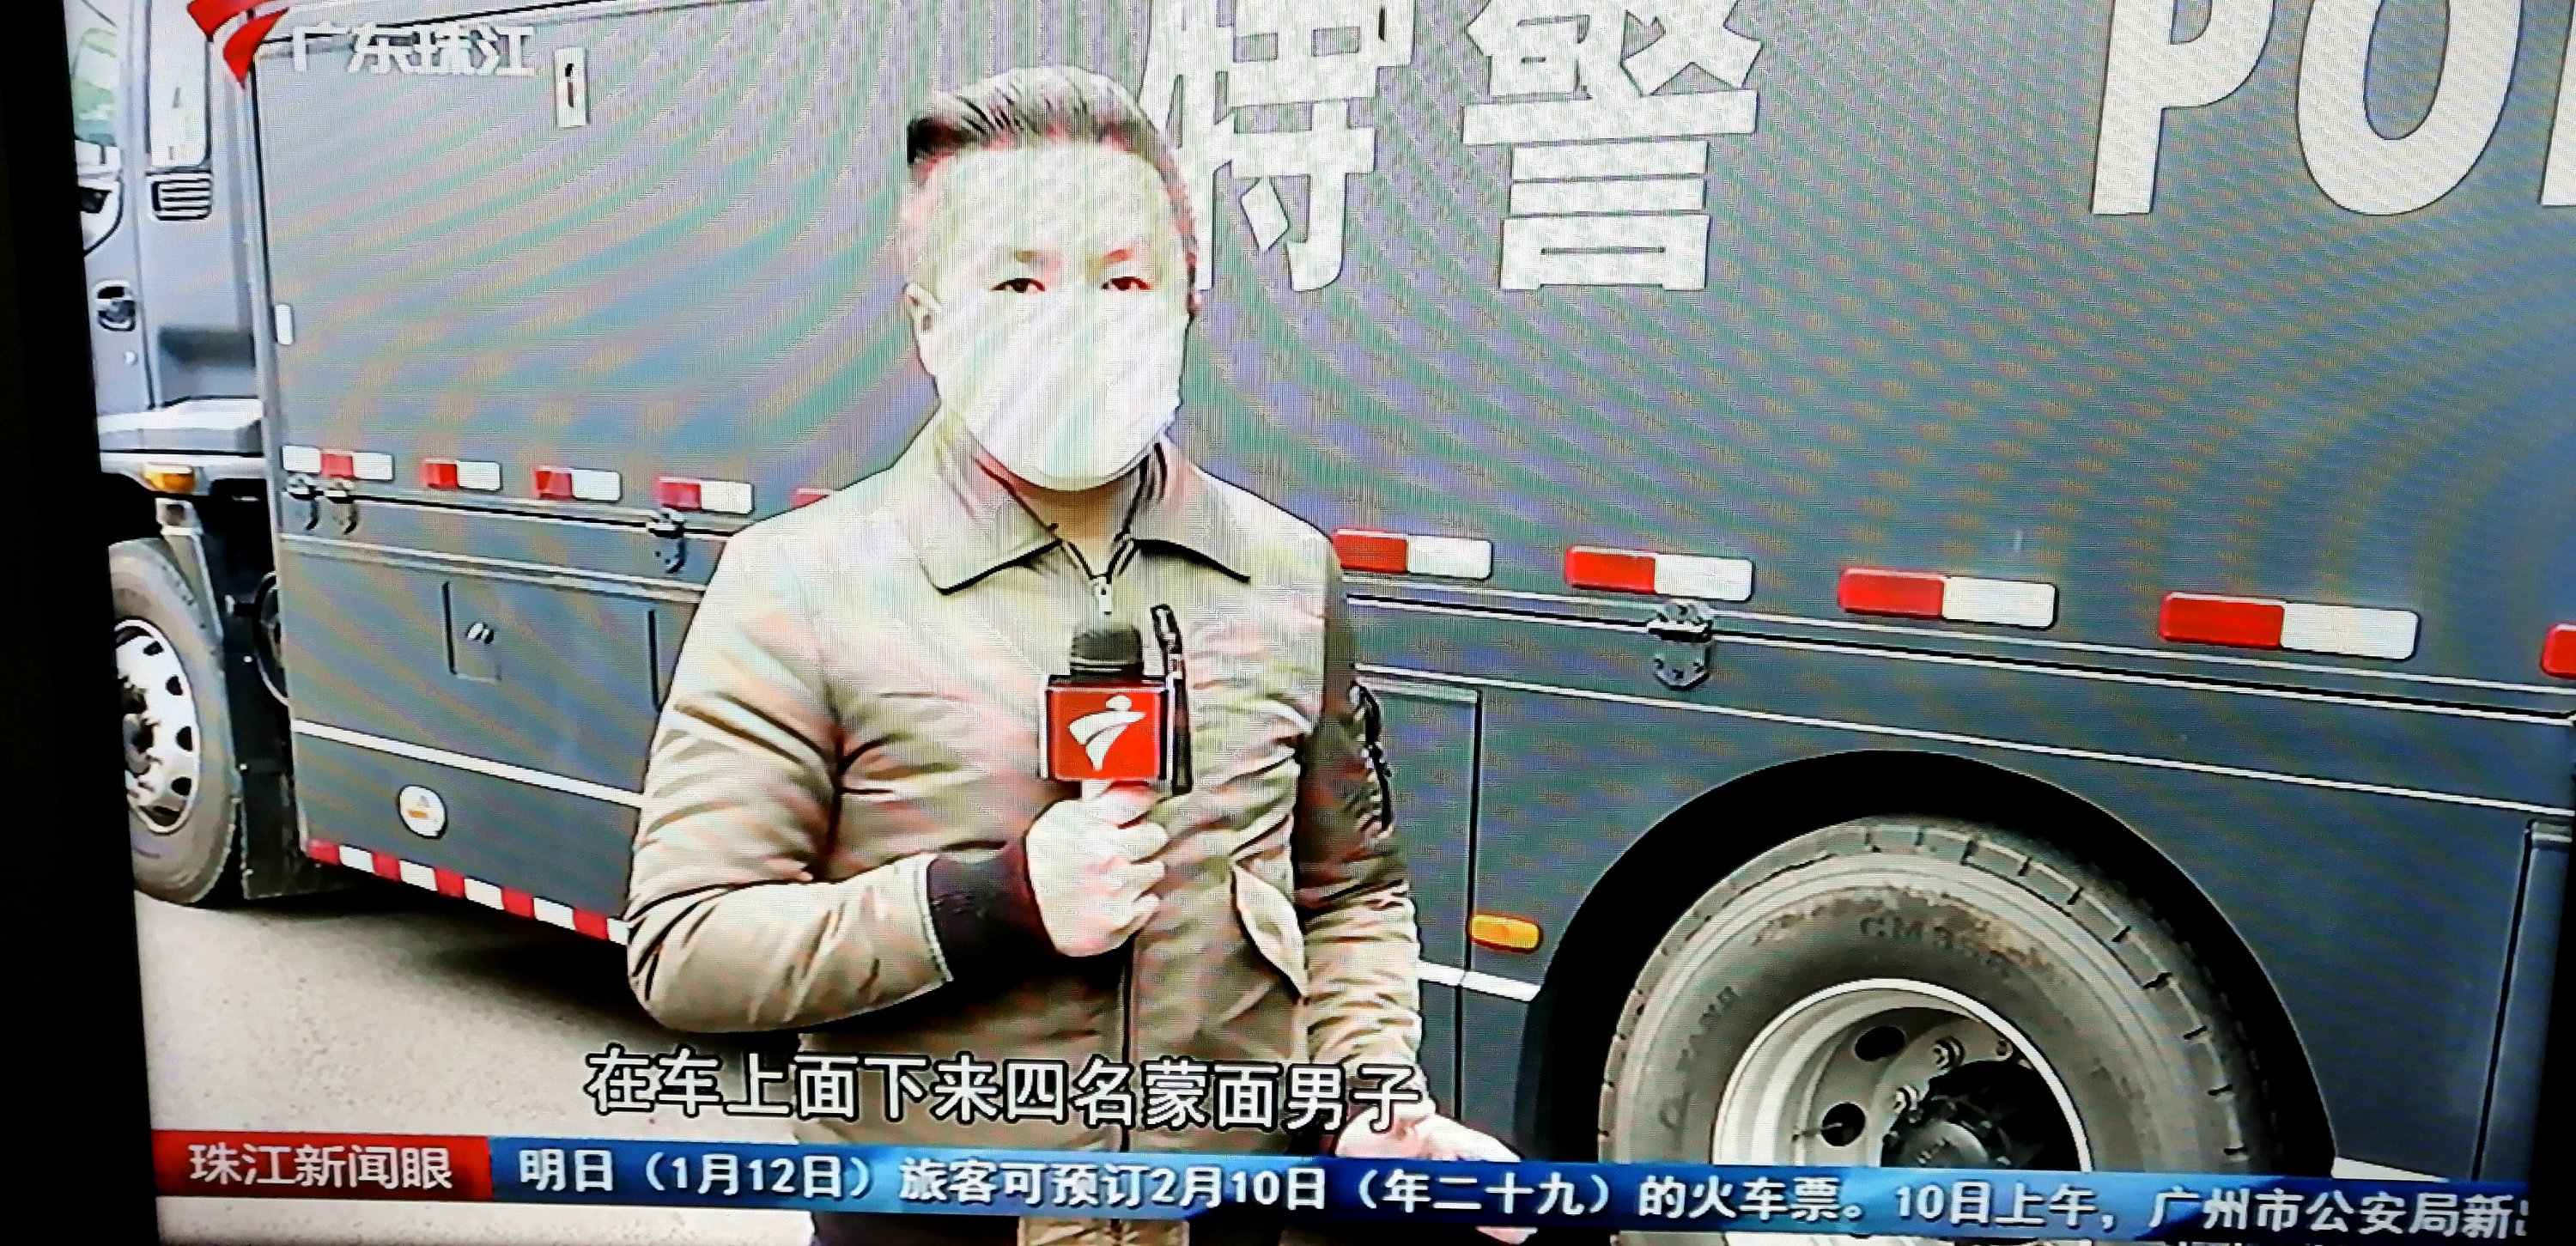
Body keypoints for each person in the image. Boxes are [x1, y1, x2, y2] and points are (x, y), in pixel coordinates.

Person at [622, 65, 1530, 1246]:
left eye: (1123, 279)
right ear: (930, 323)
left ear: (1188, 302)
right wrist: (995, 902)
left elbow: (1349, 889)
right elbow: (689, 949)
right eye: (1018, 280)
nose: (1076, 322)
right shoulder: (799, 583)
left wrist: (1369, 1095)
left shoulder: (1285, 573)